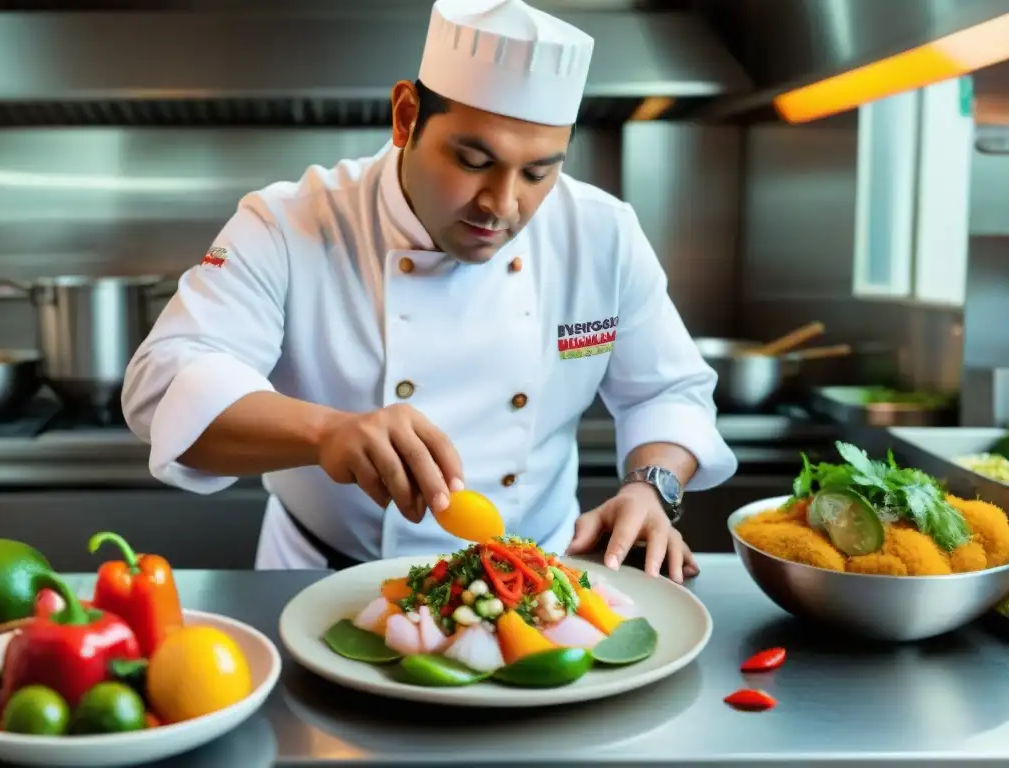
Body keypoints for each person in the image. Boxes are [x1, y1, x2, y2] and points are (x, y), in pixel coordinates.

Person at [121, 0, 738, 583]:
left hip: (533, 582)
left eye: (537, 172)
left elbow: (669, 389)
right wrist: (324, 433)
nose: (502, 205)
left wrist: (650, 487)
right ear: (406, 117)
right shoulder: (290, 223)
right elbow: (163, 385)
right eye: (473, 161)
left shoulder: (600, 232)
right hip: (325, 578)